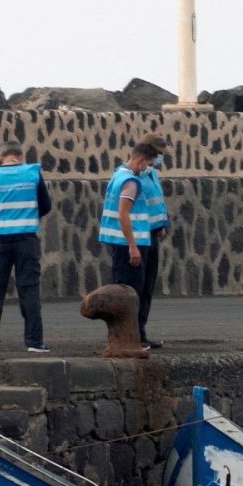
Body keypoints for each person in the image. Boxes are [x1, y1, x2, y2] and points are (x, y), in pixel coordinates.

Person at [0, 143, 52, 354]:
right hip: (26, 239)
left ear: (2, 158)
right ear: (20, 157)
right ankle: (34, 342)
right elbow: (46, 205)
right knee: (29, 290)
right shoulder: (32, 173)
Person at [97, 136, 166, 351]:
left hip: (147, 235)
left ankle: (138, 334)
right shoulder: (132, 179)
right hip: (131, 240)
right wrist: (133, 246)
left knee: (143, 287)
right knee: (129, 290)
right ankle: (128, 338)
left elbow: (153, 205)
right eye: (155, 158)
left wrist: (161, 223)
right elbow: (124, 213)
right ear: (144, 157)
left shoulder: (145, 174)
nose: (156, 163)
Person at [138, 140, 170, 349]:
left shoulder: (153, 175)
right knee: (137, 286)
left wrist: (163, 224)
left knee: (148, 286)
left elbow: (157, 202)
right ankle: (134, 333)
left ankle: (141, 330)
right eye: (158, 154)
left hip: (153, 233)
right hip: (140, 235)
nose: (160, 158)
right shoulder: (136, 175)